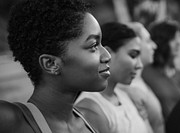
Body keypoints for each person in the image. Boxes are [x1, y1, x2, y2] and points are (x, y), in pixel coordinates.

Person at [0, 0, 111, 133]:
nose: (107, 56)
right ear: (50, 64)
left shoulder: (95, 121)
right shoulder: (10, 121)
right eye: (93, 46)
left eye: (101, 44)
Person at [76, 22, 153, 133]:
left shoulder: (125, 95)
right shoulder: (90, 108)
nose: (139, 65)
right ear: (108, 53)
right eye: (133, 55)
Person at [118, 22, 165, 133]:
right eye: (148, 41)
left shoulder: (140, 79)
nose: (154, 45)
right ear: (135, 44)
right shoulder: (130, 87)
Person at [142, 20, 180, 122]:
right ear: (162, 42)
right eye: (173, 39)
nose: (178, 42)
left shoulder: (178, 74)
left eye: (178, 38)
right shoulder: (146, 73)